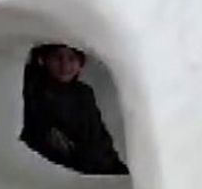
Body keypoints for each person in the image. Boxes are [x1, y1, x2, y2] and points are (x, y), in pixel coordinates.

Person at [20, 44, 128, 175]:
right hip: (62, 171)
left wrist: (112, 163)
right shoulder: (35, 90)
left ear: (80, 64)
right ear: (45, 60)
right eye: (57, 57)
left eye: (72, 59)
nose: (64, 65)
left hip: (96, 165)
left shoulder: (84, 93)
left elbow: (97, 133)